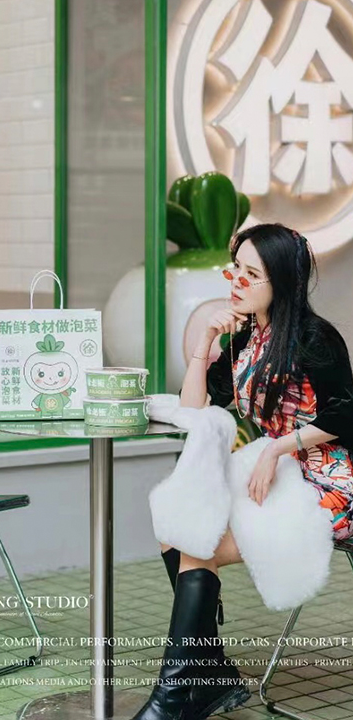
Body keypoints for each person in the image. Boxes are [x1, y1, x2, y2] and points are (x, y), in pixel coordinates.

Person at [132, 223, 353, 720]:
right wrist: (206, 340)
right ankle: (208, 677)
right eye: (236, 269)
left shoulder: (314, 338)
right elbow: (194, 409)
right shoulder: (247, 338)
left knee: (197, 543)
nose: (237, 281)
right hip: (275, 469)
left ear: (282, 281)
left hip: (332, 480)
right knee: (174, 527)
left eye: (252, 274)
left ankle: (177, 697)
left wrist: (278, 450)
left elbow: (345, 415)